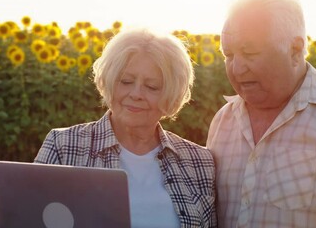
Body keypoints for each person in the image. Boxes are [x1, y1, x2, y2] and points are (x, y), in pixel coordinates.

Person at [207, 0, 316, 227]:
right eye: (228, 55)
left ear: (294, 50)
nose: (237, 68)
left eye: (250, 52)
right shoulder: (224, 121)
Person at [35, 28, 217, 228]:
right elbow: (29, 219)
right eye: (126, 82)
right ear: (109, 82)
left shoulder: (200, 162)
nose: (136, 94)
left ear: (172, 94)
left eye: (152, 87)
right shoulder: (62, 146)